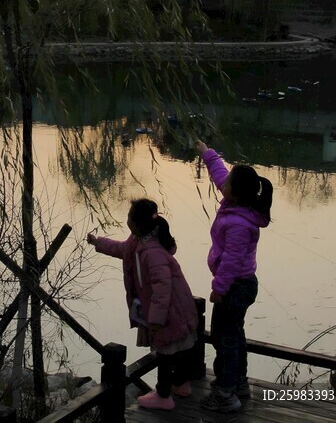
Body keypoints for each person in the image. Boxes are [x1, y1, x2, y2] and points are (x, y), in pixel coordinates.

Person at [87, 198, 198, 411]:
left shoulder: (152, 253)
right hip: (175, 308)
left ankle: (164, 395)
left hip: (169, 311)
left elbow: (162, 289)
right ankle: (181, 384)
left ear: (136, 224)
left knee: (165, 352)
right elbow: (121, 250)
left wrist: (155, 319)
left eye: (129, 217)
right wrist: (98, 242)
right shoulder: (139, 242)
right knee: (179, 347)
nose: (127, 220)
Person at [195, 140, 273, 413]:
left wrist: (219, 288)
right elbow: (220, 174)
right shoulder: (238, 204)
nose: (222, 184)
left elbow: (231, 261)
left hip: (235, 286)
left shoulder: (240, 224)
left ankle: (225, 394)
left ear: (235, 194)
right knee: (234, 336)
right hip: (240, 285)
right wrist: (207, 153)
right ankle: (239, 383)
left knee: (223, 339)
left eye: (228, 183)